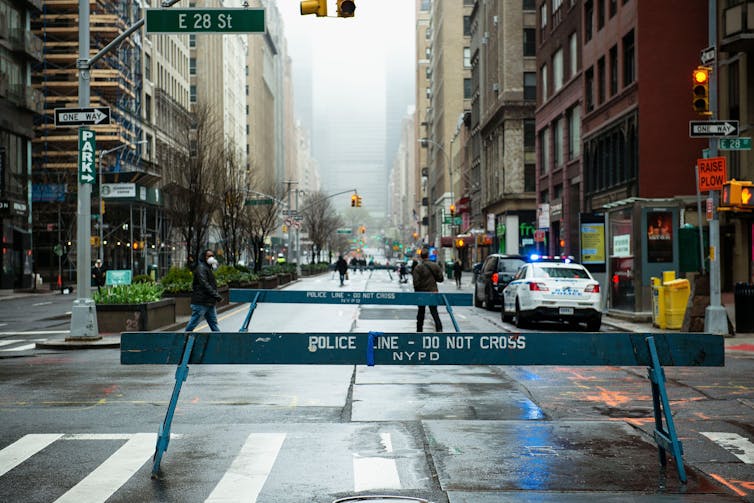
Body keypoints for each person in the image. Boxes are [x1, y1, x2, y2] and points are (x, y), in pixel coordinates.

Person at [185, 249, 223, 332]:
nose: (211, 258)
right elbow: (204, 284)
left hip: (209, 302)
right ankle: (183, 339)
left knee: (213, 323)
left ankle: (219, 340)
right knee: (193, 323)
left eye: (212, 256)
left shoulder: (208, 268)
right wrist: (216, 296)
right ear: (204, 257)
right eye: (209, 256)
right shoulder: (201, 268)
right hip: (201, 302)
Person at [412, 248, 444, 332]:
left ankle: (419, 331)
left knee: (421, 313)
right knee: (434, 313)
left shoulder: (418, 268)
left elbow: (416, 283)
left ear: (421, 257)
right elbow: (441, 279)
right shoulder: (435, 266)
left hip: (421, 293)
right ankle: (439, 330)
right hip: (433, 292)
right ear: (428, 256)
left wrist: (417, 292)